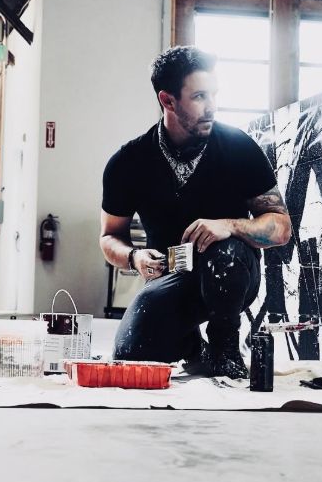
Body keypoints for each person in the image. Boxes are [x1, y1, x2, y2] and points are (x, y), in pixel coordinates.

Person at [100, 46, 291, 379]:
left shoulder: (237, 146)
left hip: (233, 272)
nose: (212, 106)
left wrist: (229, 226)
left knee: (225, 255)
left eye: (214, 94)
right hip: (173, 270)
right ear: (168, 100)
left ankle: (224, 348)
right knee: (131, 355)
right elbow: (109, 237)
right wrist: (134, 258)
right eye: (200, 96)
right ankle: (191, 348)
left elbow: (281, 227)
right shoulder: (129, 162)